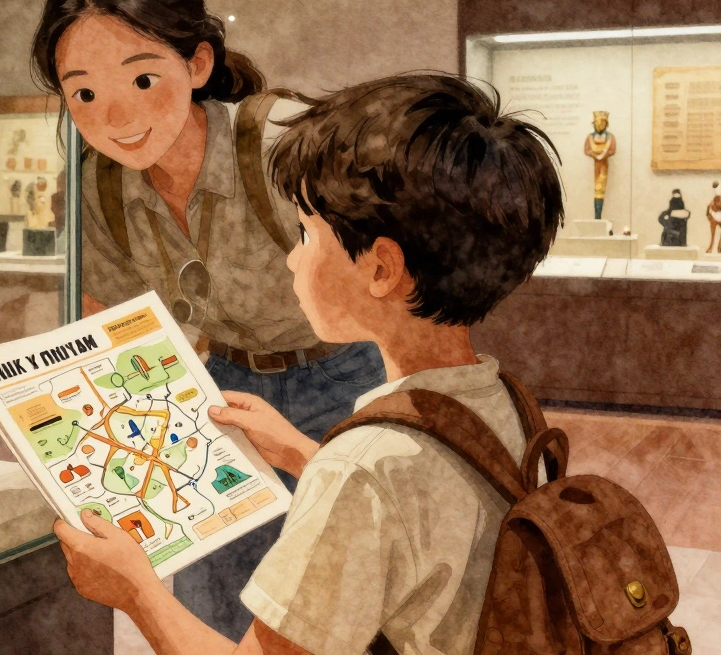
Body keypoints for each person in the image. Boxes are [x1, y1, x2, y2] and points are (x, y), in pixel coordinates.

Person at [54, 73, 565, 655]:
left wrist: (135, 590)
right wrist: (303, 452)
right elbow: (424, 510)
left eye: (308, 232)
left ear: (380, 269)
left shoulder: (362, 470)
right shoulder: (506, 401)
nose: (295, 257)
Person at [29, 0, 386, 636]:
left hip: (346, 378)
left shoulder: (280, 142)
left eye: (141, 78)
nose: (115, 116)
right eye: (84, 93)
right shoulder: (100, 186)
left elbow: (394, 285)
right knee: (214, 598)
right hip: (216, 386)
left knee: (353, 600)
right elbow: (105, 326)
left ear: (196, 64)